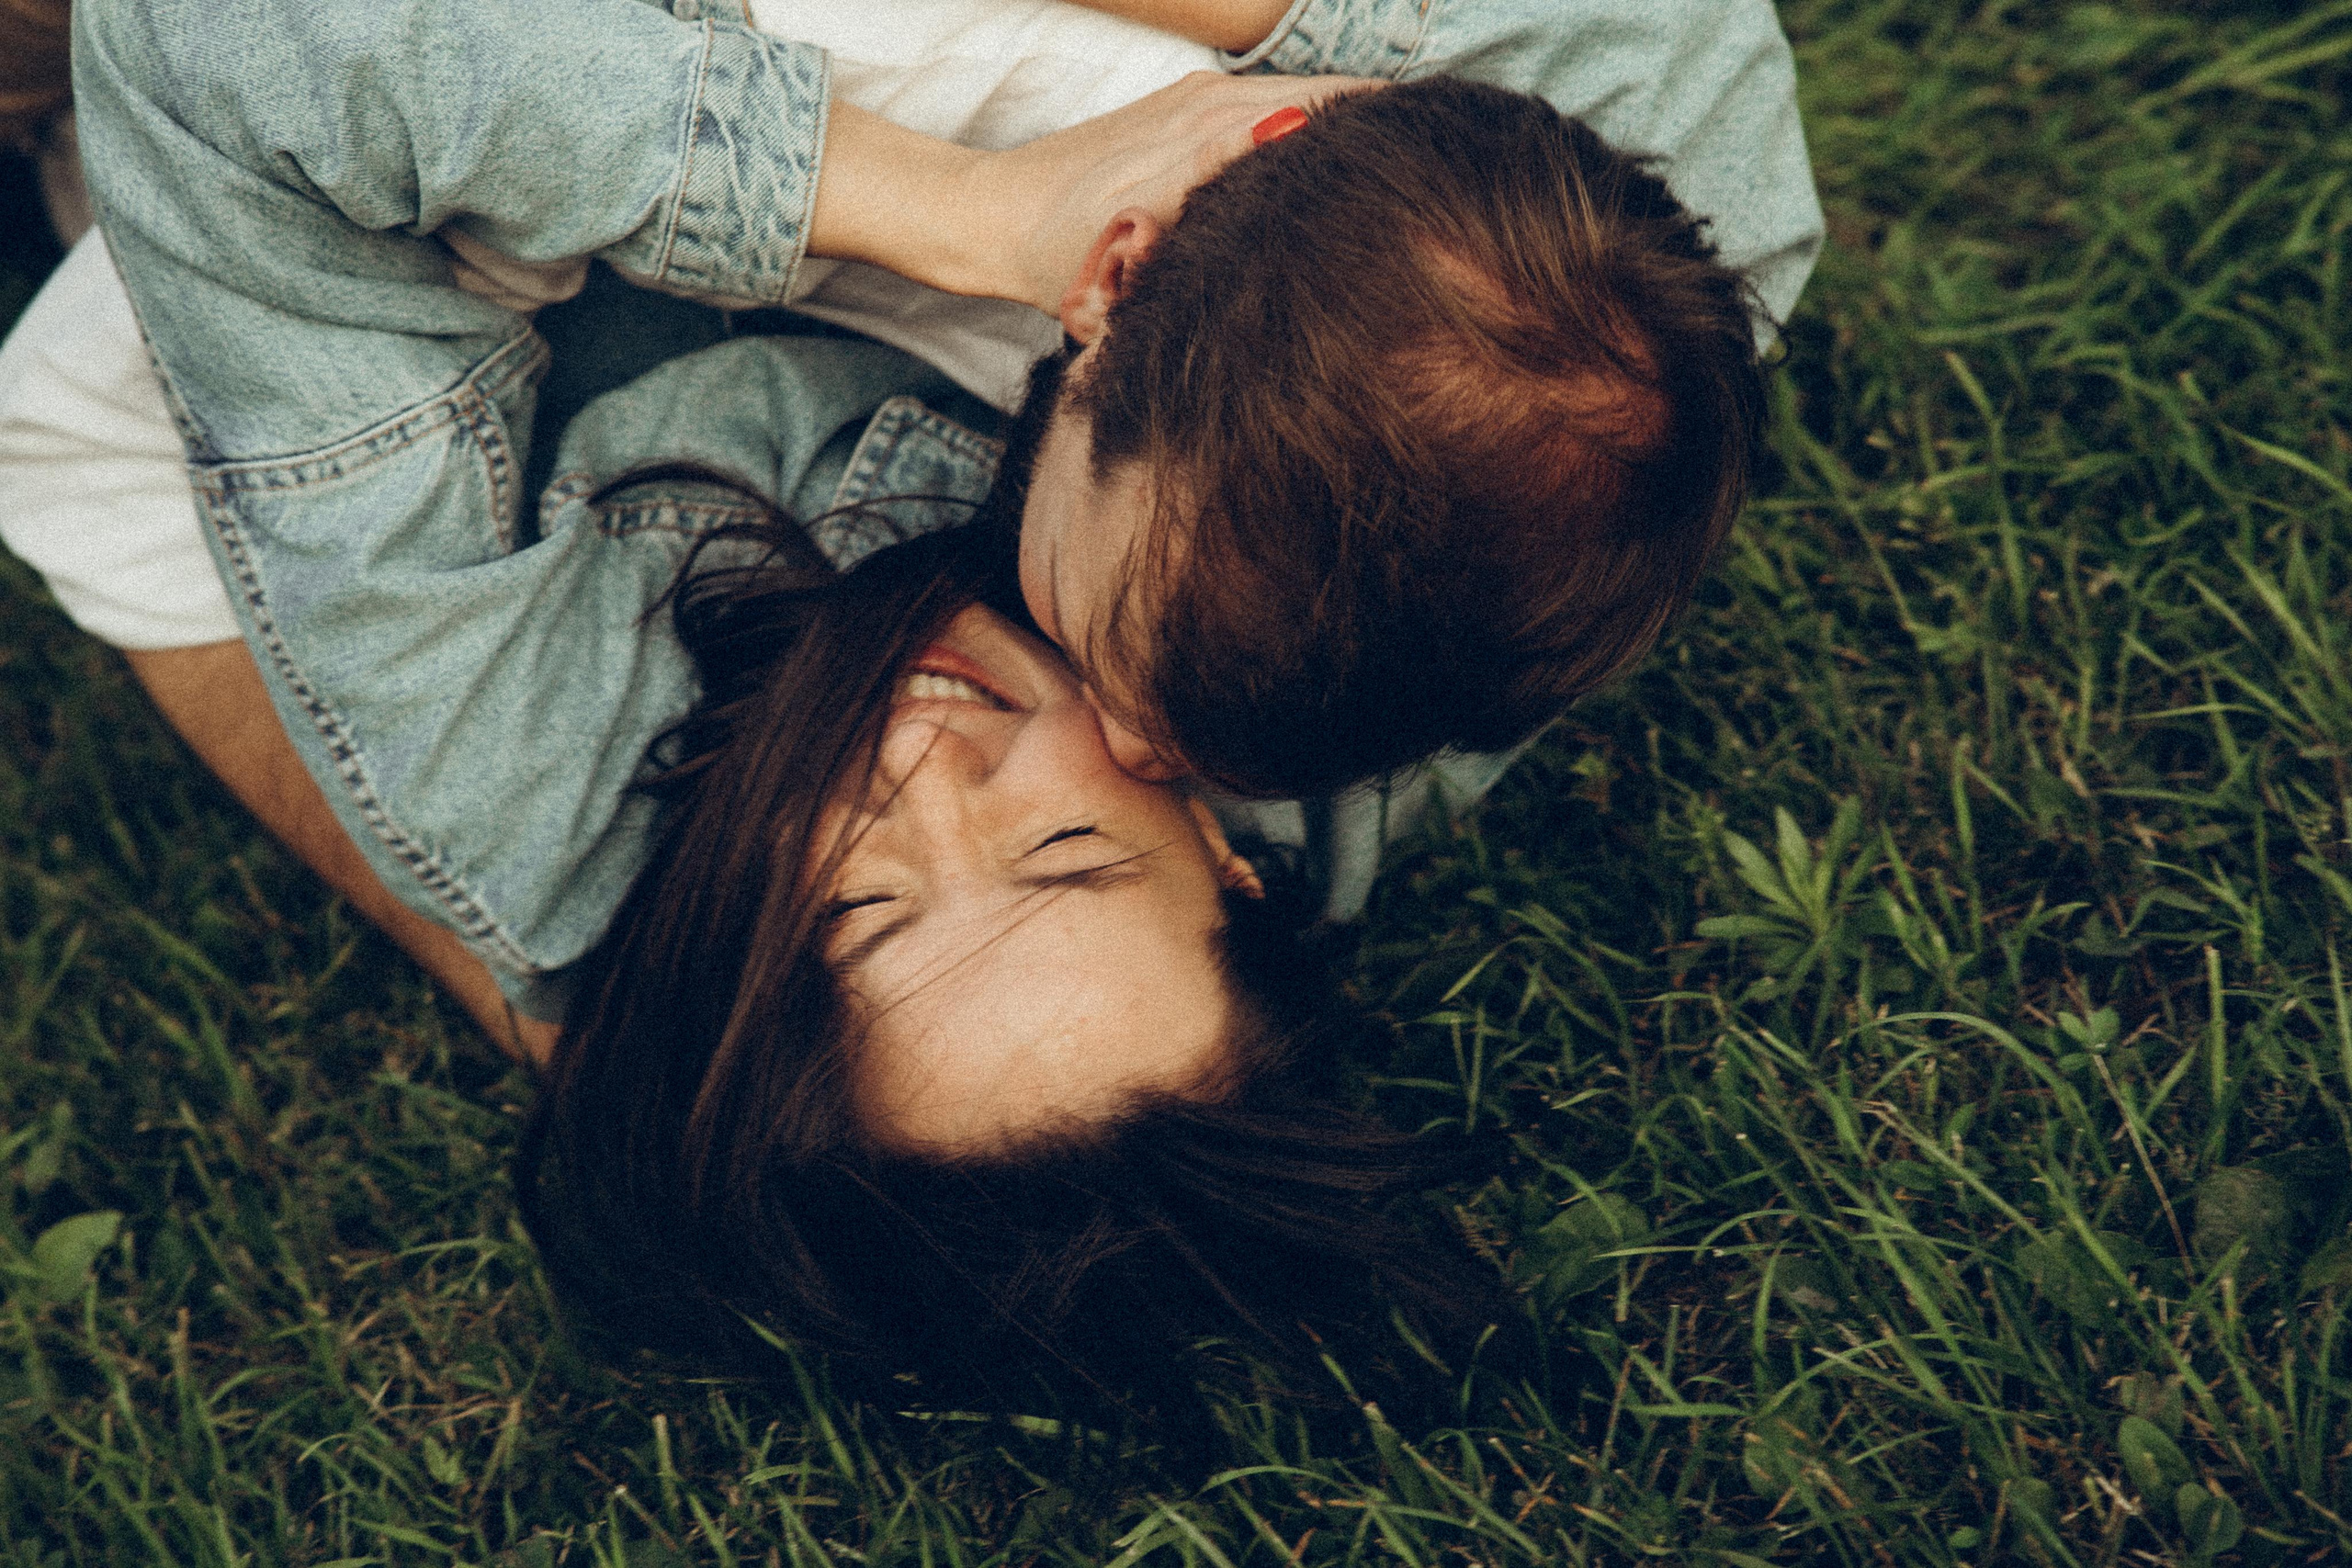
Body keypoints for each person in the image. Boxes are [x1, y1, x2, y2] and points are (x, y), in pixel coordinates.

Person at [25, 0, 1817, 1048]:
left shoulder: (611, 831)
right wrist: (957, 210)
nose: (1114, 739)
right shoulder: (1658, 209)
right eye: (1068, 847)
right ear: (1105, 288)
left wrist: (578, 1005)